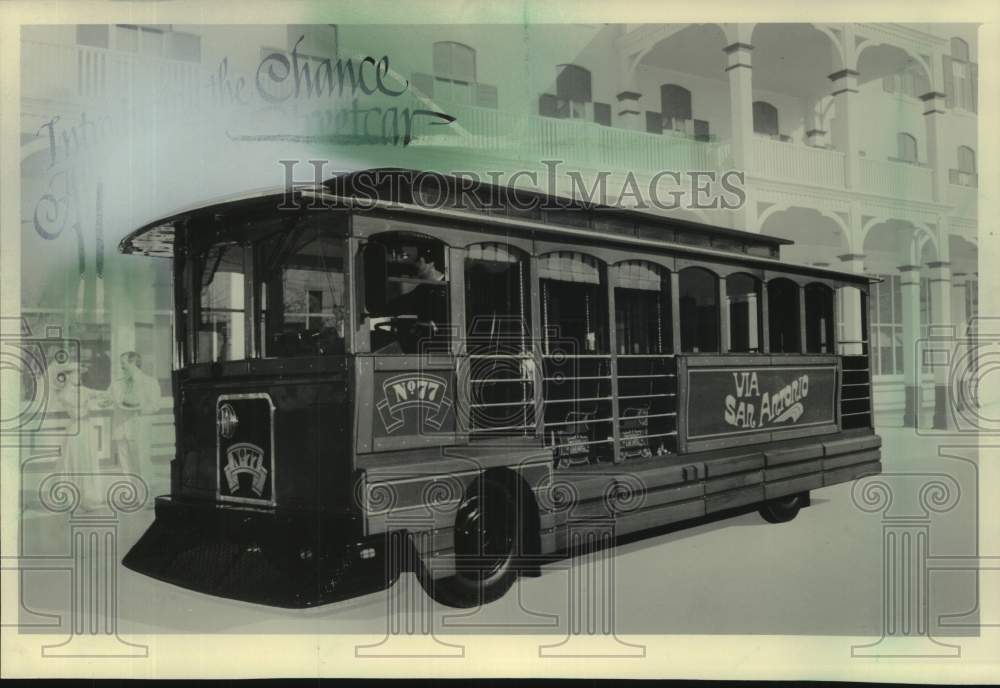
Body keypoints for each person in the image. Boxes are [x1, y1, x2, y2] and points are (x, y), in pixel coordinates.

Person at [110, 351, 162, 478]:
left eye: (123, 363)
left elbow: (155, 405)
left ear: (133, 362)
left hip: (139, 430)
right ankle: (129, 493)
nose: (121, 367)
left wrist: (139, 408)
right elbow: (111, 399)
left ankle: (143, 493)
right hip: (121, 429)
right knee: (124, 466)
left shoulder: (150, 382)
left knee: (141, 463)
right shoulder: (117, 383)